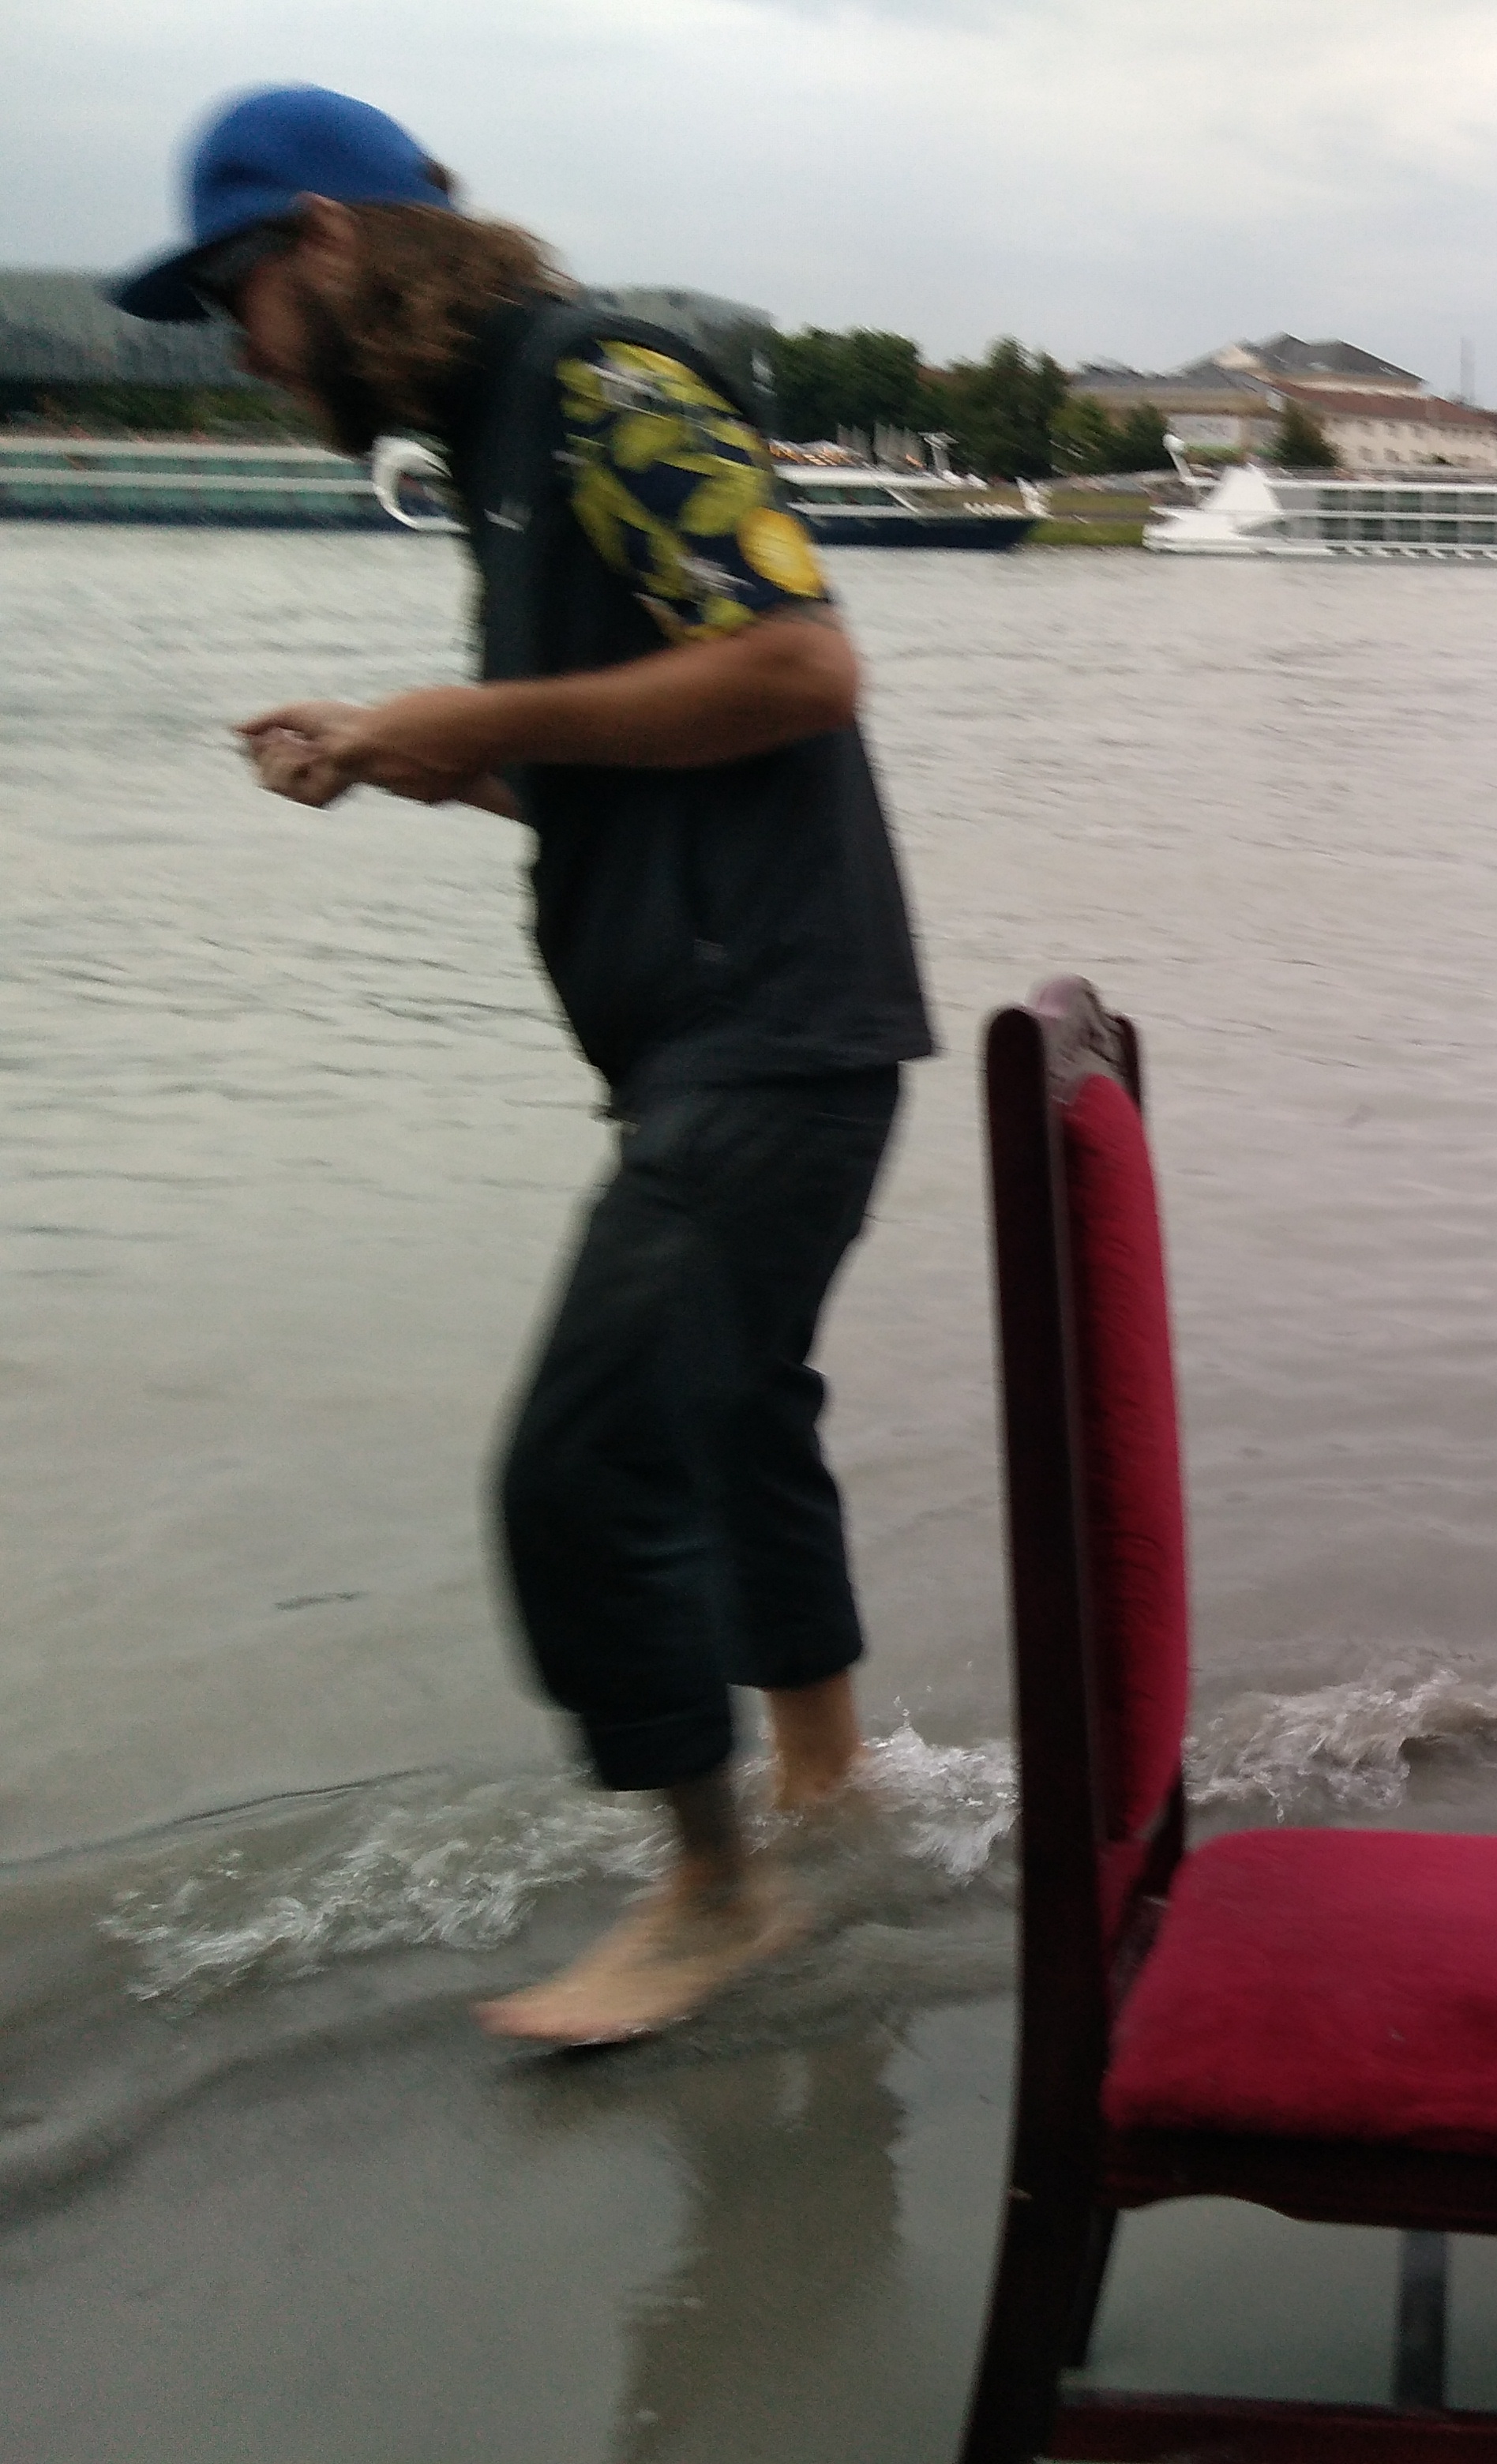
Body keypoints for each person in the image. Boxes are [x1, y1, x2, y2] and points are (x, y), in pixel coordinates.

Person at [114, 87, 936, 2045]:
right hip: (735, 1031)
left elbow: (799, 664)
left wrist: (470, 706)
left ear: (326, 242)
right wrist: (420, 751)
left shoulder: (601, 380)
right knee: (735, 1424)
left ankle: (716, 1894)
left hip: (776, 1035)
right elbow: (633, 748)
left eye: (240, 297)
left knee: (580, 1466)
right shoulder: (502, 438)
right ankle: (831, 1795)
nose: (241, 348)